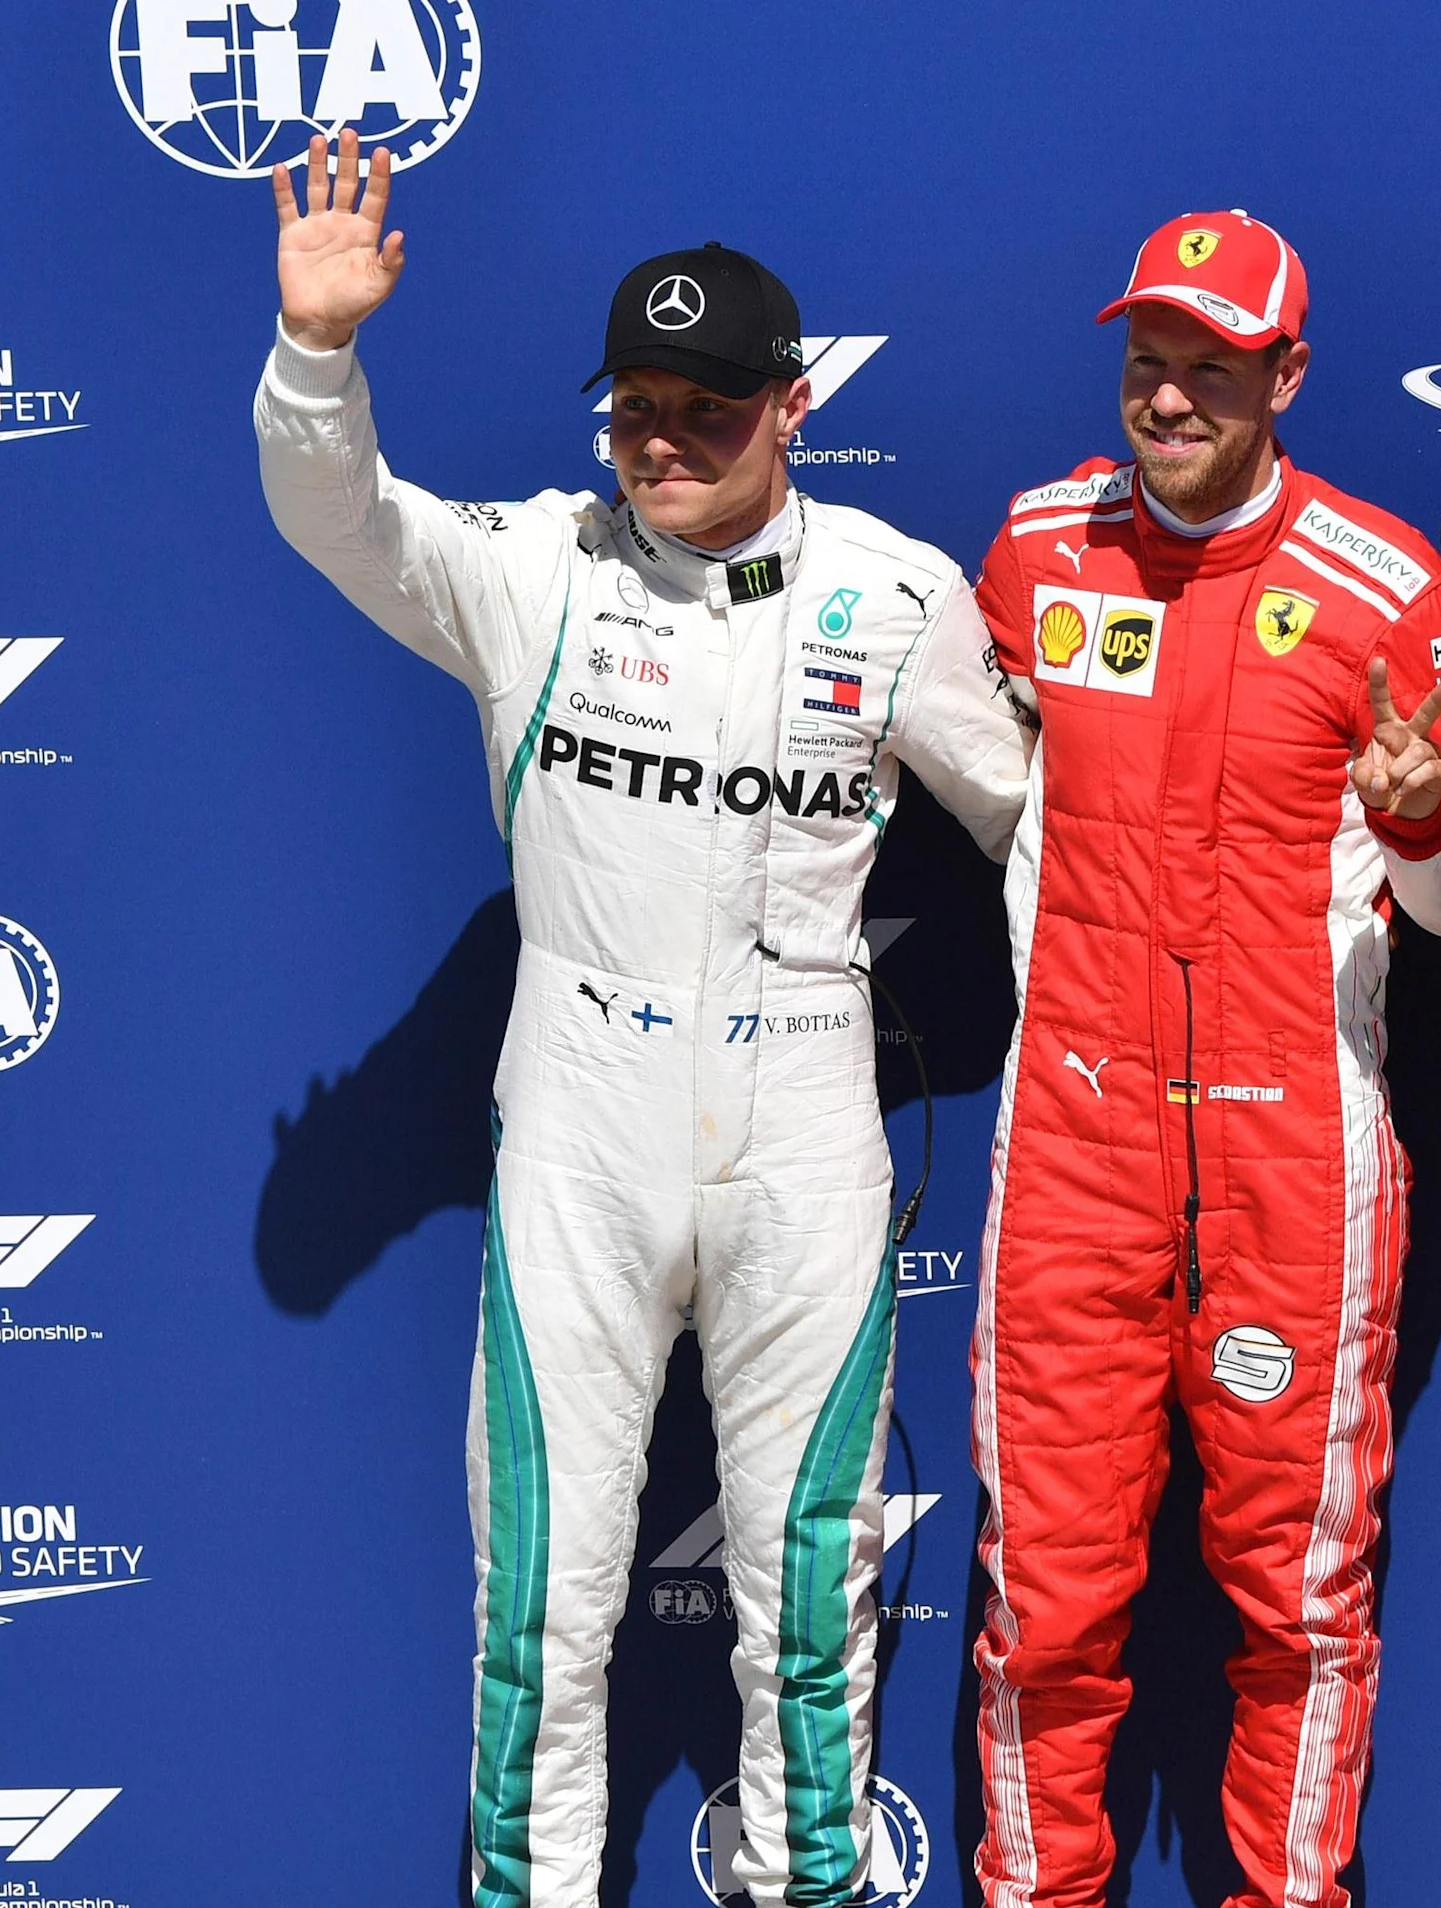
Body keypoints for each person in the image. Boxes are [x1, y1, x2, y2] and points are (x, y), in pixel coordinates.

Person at [253, 131, 1032, 1908]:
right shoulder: (535, 566)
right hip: (580, 1123)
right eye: (636, 409)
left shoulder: (895, 592)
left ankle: (805, 1889)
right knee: (542, 1598)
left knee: (811, 1589)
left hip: (807, 1124)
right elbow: (337, 517)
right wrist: (317, 353)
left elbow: (1040, 823)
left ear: (793, 406)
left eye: (709, 408)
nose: (664, 440)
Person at [963, 209, 1441, 1908]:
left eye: (1210, 368)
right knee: (1044, 1608)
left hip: (1297, 1163)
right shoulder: (1038, 549)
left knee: (1299, 1612)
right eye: (1150, 361)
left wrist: (1418, 822)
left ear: (1286, 377)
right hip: (1073, 1150)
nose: (1170, 396)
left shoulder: (1385, 586)